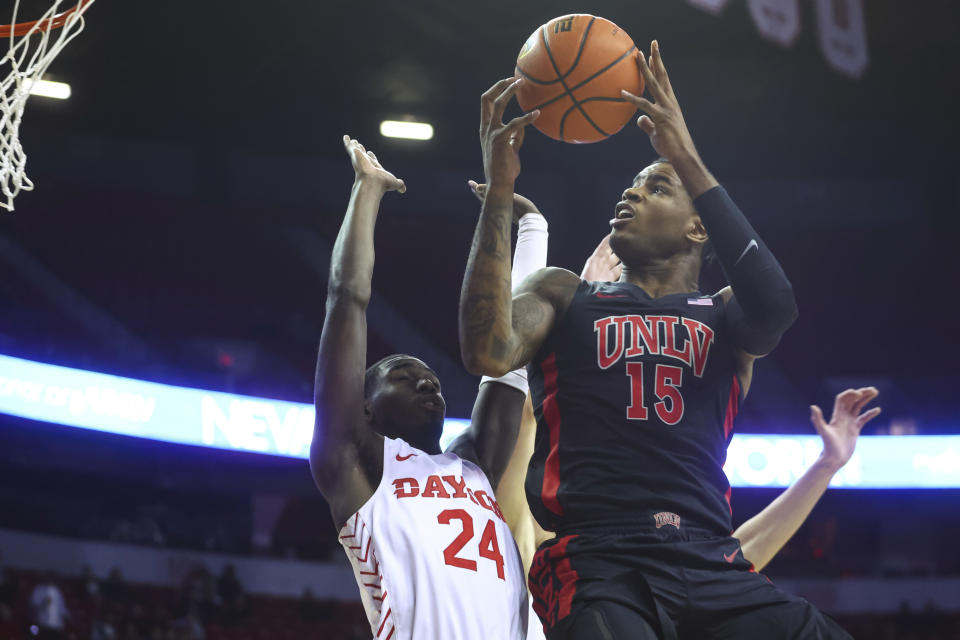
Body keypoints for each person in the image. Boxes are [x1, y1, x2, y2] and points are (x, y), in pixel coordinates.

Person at [460, 40, 857, 639]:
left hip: (710, 558)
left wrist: (683, 154)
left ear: (700, 225)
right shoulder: (566, 294)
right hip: (598, 558)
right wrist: (497, 191)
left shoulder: (724, 315)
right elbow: (485, 350)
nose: (631, 193)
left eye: (656, 187)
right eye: (633, 186)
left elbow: (777, 306)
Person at [310, 135, 529, 639]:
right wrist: (368, 190)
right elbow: (346, 299)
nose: (425, 379)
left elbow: (509, 357)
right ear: (363, 408)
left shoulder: (472, 465)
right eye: (403, 377)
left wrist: (517, 215)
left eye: (429, 376)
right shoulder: (354, 463)